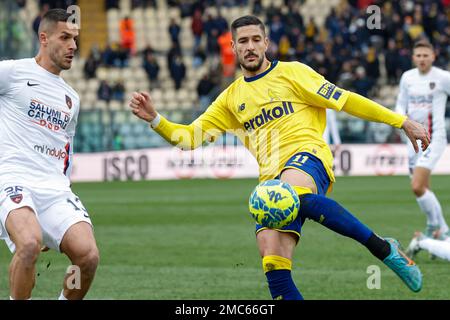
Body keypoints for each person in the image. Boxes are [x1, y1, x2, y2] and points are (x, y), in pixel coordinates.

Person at [129, 15, 429, 299]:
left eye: (255, 40)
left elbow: (345, 100)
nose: (249, 46)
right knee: (271, 257)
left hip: (308, 157)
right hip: (270, 180)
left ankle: (383, 249)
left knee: (293, 192)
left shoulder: (294, 73)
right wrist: (156, 119)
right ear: (232, 47)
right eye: (243, 41)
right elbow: (189, 139)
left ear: (266, 43)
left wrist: (400, 121)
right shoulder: (230, 99)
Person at [0, 9, 99, 300]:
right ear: (43, 39)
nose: (73, 46)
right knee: (28, 244)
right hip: (13, 178)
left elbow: (64, 152)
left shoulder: (72, 98)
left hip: (54, 189)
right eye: (65, 37)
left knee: (88, 257)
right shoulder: (12, 72)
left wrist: (63, 189)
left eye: (75, 39)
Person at [395, 40, 450, 240]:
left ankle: (434, 225)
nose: (422, 59)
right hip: (412, 141)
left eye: (426, 55)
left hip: (434, 138)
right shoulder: (407, 78)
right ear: (413, 58)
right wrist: (402, 120)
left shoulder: (443, 78)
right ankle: (442, 232)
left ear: (433, 57)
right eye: (418, 55)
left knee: (417, 186)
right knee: (422, 188)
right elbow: (400, 104)